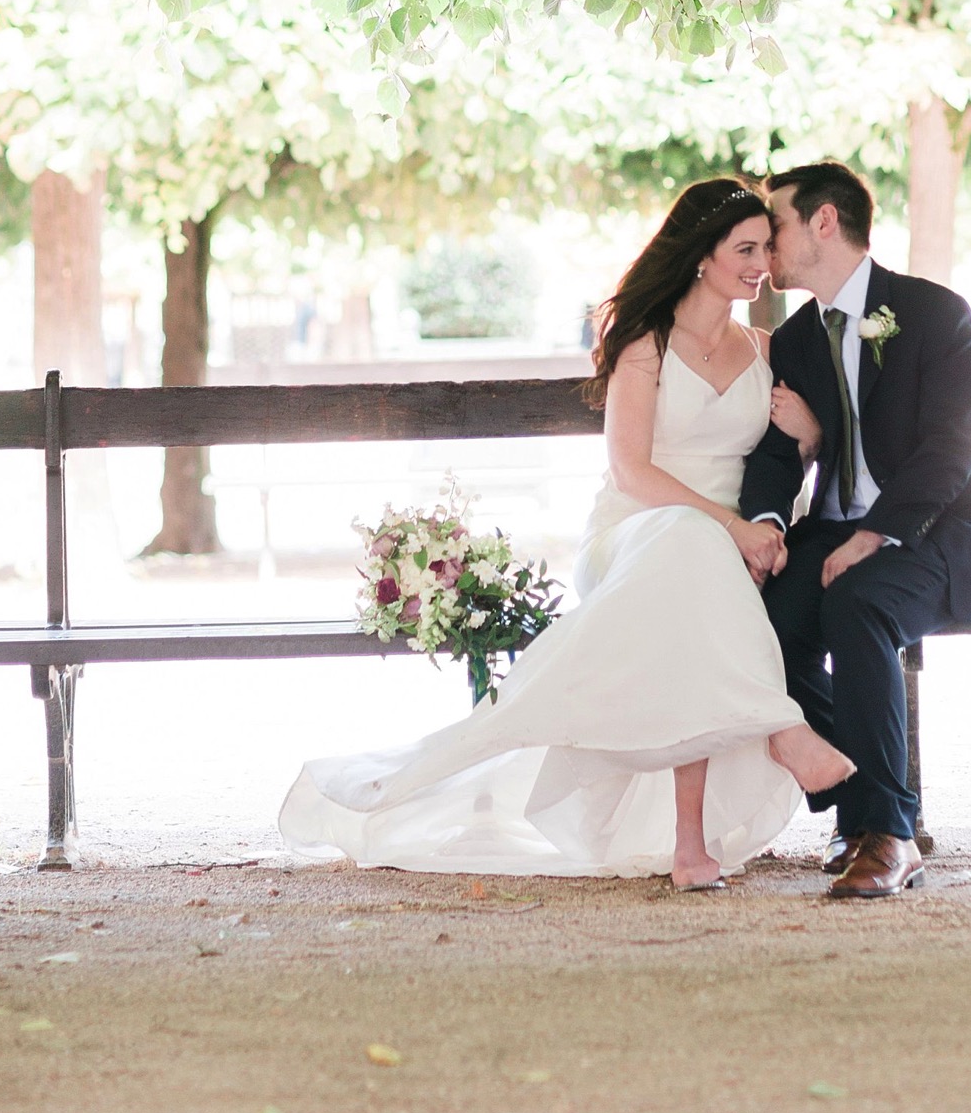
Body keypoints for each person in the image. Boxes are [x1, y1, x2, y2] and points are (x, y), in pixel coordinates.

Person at [279, 180, 852, 885]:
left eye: (766, 247)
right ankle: (780, 731)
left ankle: (690, 846)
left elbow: (779, 459)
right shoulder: (645, 344)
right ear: (702, 256)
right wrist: (730, 529)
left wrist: (802, 439)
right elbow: (632, 471)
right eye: (745, 248)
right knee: (687, 550)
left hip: (716, 555)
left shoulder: (765, 348)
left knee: (693, 583)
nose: (762, 262)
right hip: (635, 535)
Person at [740, 161, 971, 900]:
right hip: (835, 530)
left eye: (775, 226)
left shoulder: (934, 313)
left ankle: (889, 832)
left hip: (935, 532)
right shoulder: (798, 338)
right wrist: (768, 527)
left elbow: (950, 448)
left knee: (857, 600)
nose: (766, 245)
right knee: (757, 620)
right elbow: (777, 453)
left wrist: (877, 534)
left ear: (823, 223)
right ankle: (865, 799)